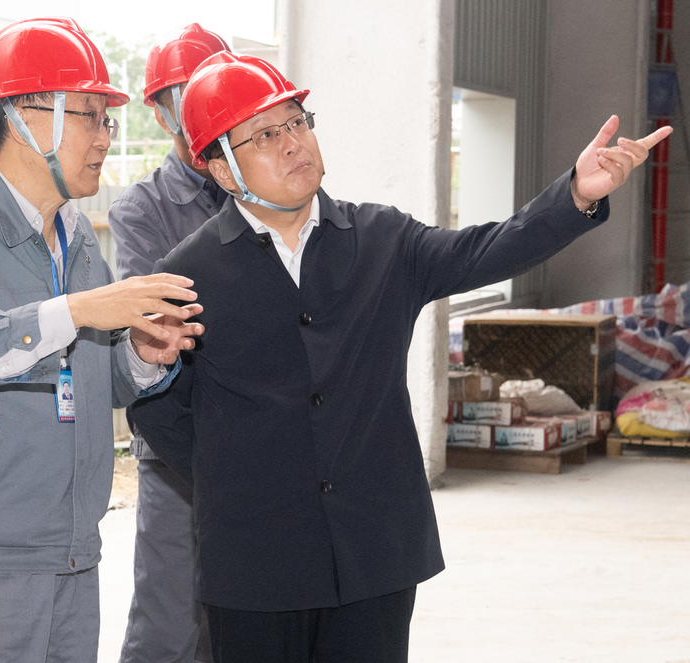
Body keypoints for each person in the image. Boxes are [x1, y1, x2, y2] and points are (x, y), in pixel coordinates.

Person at [130, 52, 672, 663]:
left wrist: (575, 194)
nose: (293, 143)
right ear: (221, 170)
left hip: (375, 551)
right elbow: (159, 412)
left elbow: (489, 248)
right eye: (264, 135)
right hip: (256, 565)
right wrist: (239, 479)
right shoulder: (185, 278)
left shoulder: (383, 240)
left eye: (297, 122)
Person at [0, 17, 203, 662]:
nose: (105, 138)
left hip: (70, 555)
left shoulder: (77, 239)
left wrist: (141, 356)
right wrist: (76, 310)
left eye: (108, 121)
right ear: (26, 118)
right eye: (90, 116)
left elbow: (90, 375)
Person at [107, 23, 229, 663]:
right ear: (159, 112)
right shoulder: (143, 209)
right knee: (169, 624)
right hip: (177, 444)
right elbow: (160, 320)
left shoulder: (260, 188)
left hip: (259, 442)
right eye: (182, 94)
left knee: (243, 619)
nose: (199, 105)